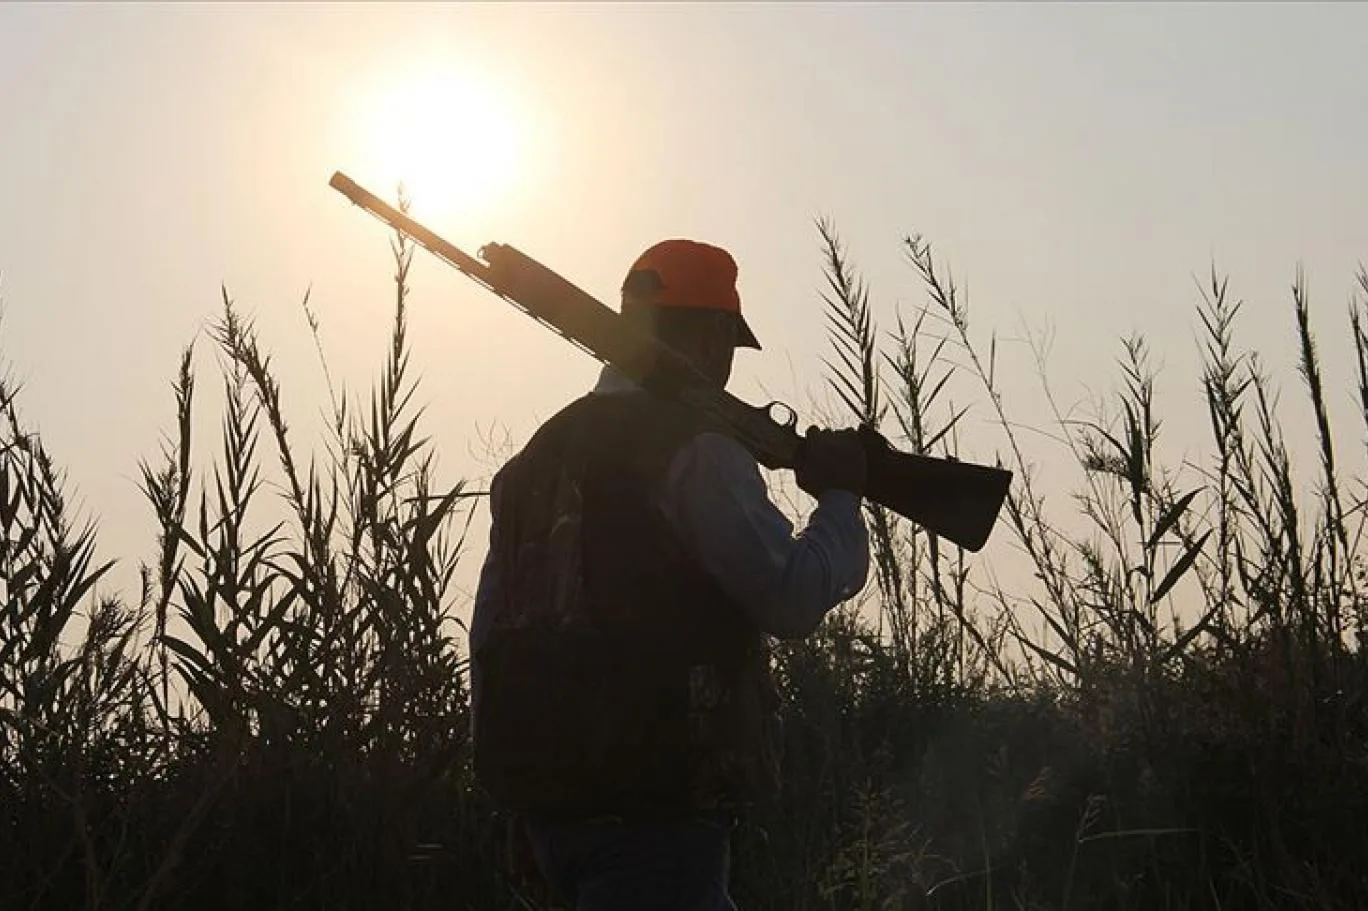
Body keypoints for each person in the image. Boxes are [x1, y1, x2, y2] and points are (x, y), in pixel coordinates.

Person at [469, 238, 871, 910]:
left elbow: (490, 637)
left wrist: (519, 799)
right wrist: (841, 497)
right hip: (656, 811)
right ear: (712, 337)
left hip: (550, 816)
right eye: (727, 344)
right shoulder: (696, 449)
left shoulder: (534, 459)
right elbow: (792, 598)